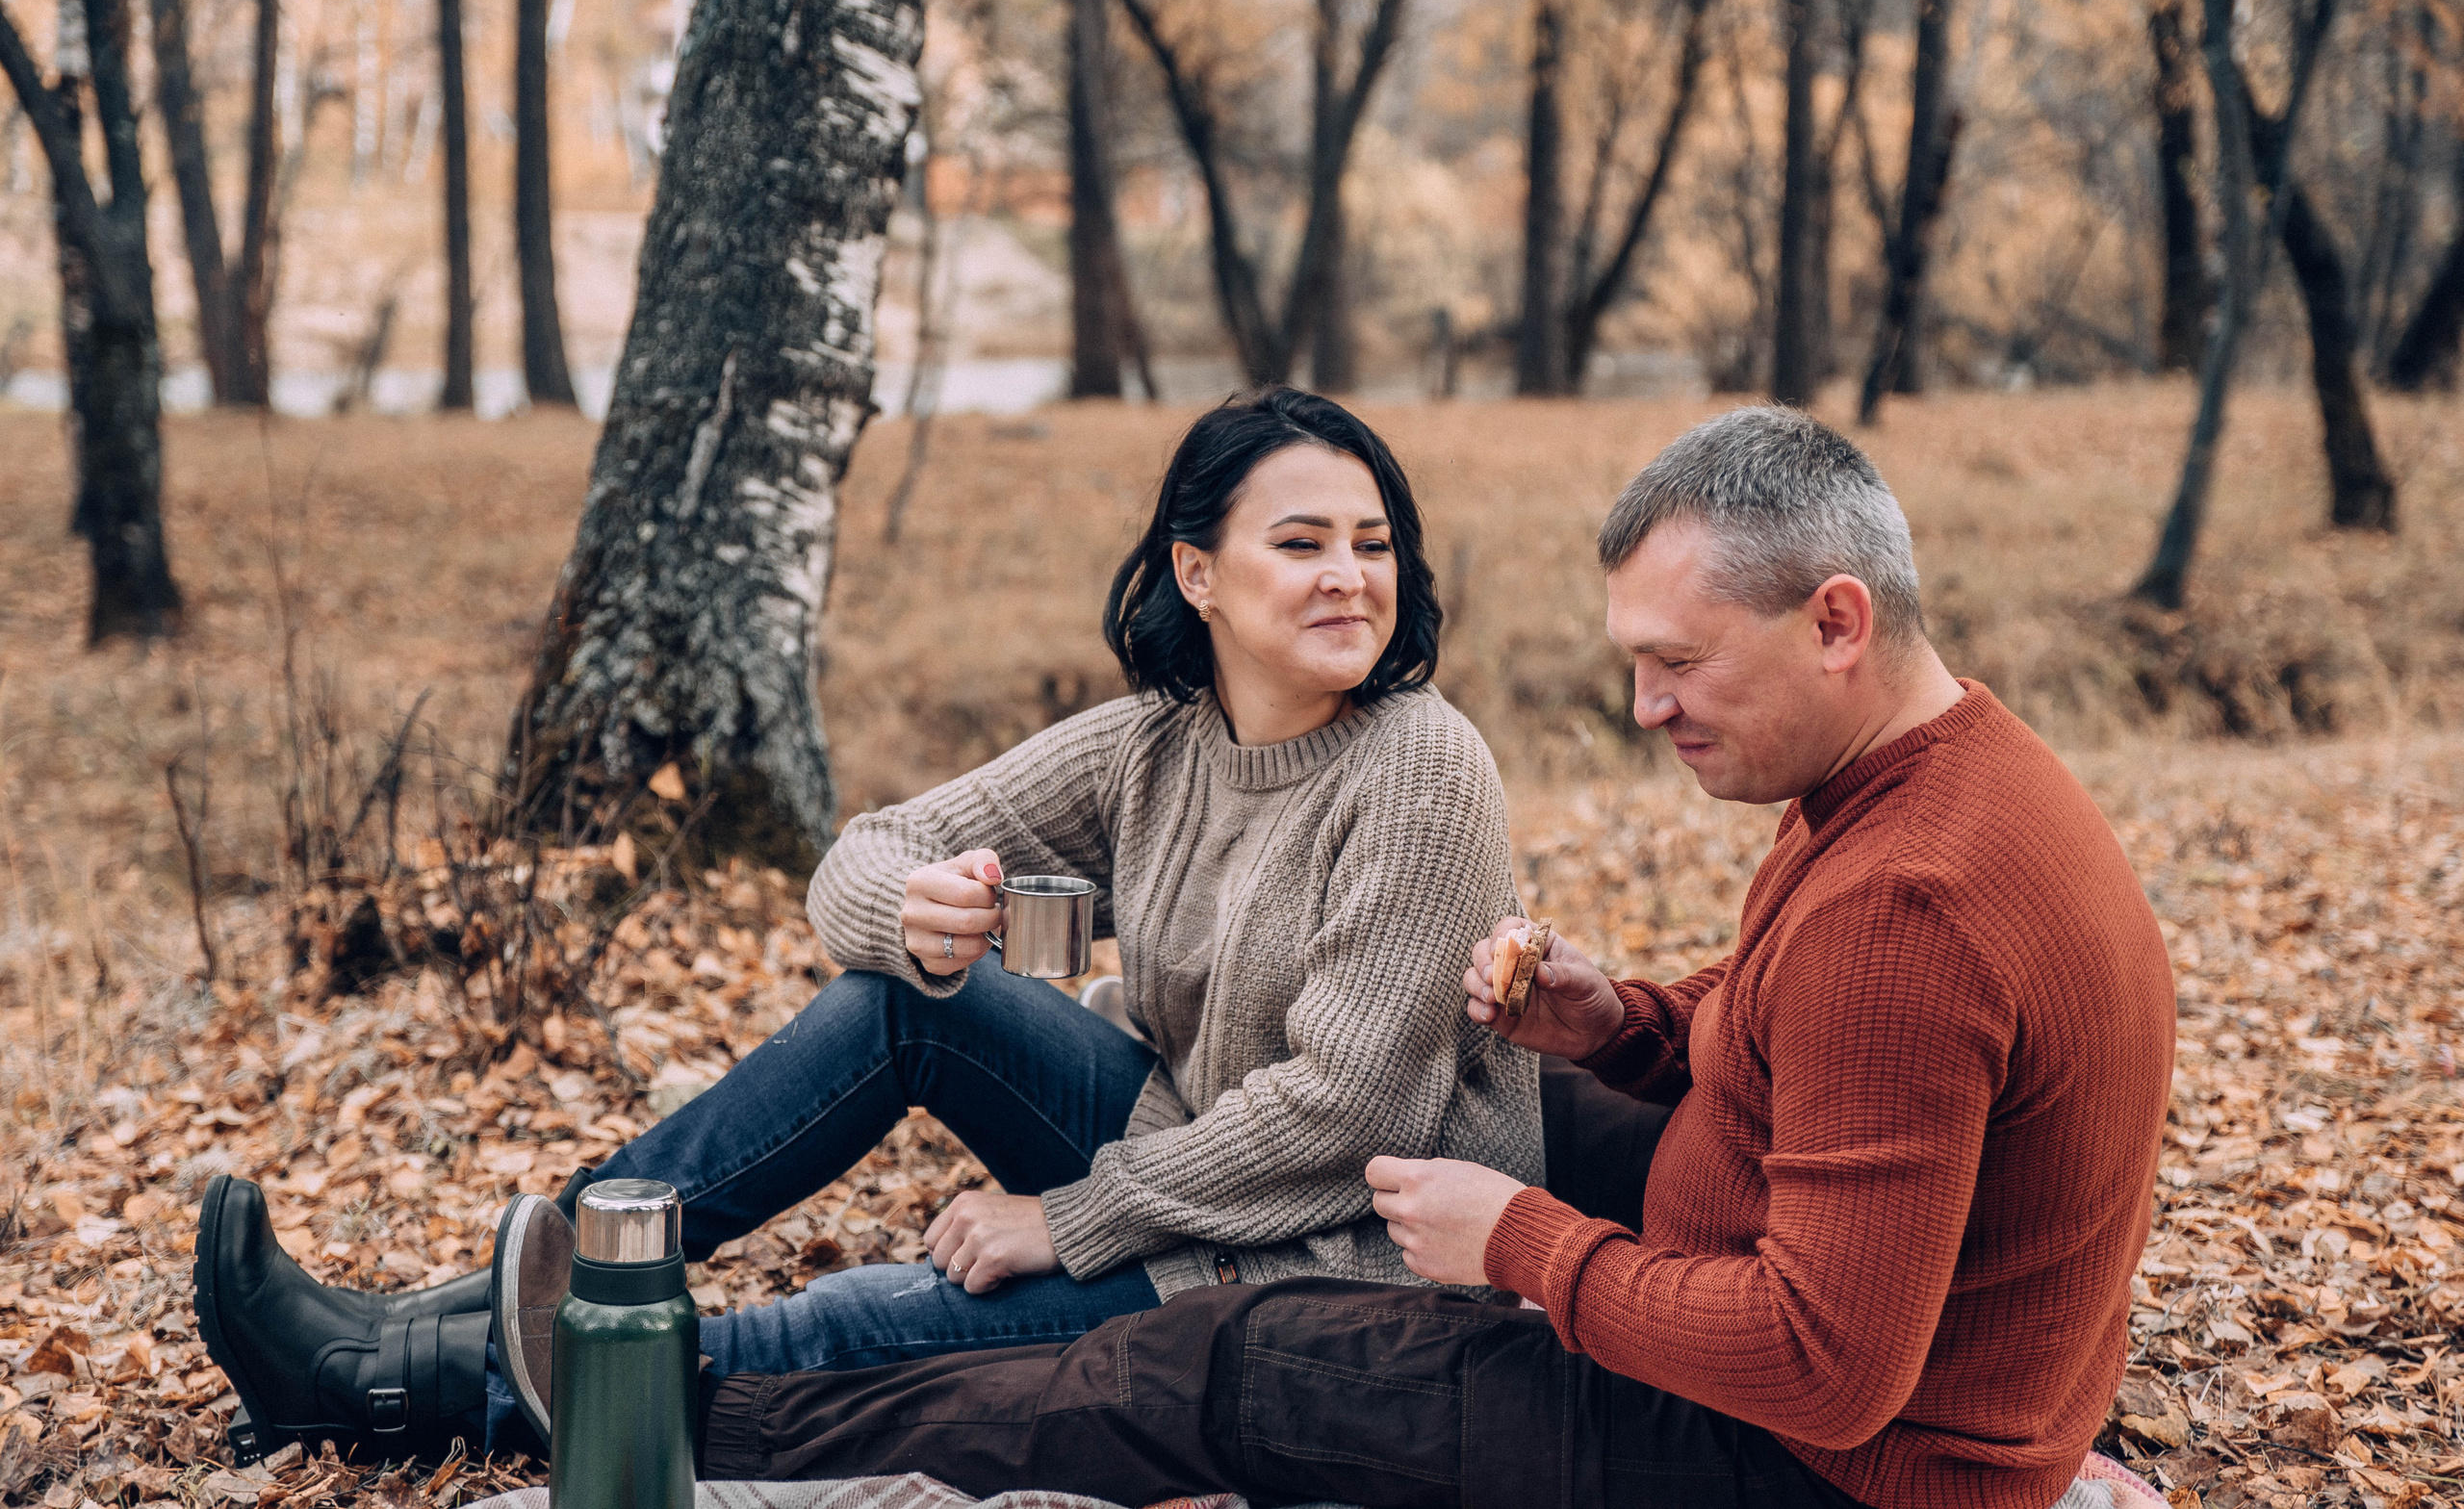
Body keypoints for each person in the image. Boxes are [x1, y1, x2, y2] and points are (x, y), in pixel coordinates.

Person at [665, 407, 2177, 1509]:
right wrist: (1623, 1022)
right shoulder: (1917, 781)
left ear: (1838, 619)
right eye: (1633, 661)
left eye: (1678, 662)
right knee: (1481, 1127)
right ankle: (599, 1284)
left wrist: (1523, 1243)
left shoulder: (1908, 903)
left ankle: (672, 1432)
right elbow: (1790, 1034)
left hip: (1818, 1466)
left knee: (1226, 1363)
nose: (1645, 707)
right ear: (1196, 574)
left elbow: (1826, 1364)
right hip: (1834, 1350)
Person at [191, 388, 1541, 1463]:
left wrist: (1067, 1217)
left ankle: (391, 1382)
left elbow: (1343, 1110)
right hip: (1189, 1146)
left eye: (1372, 544)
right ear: (1197, 571)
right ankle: (502, 1286)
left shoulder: (1420, 766)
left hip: (1343, 1250)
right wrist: (916, 915)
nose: (1350, 577)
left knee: (851, 1320)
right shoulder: (1159, 745)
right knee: (904, 1000)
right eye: (1300, 542)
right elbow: (859, 856)